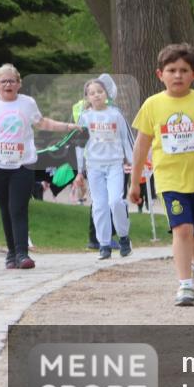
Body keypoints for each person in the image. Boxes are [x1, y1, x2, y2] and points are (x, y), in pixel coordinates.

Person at [128, 43, 194, 306]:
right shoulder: (152, 105)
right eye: (171, 70)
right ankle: (184, 285)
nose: (178, 75)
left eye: (184, 70)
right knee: (182, 229)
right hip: (170, 180)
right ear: (160, 74)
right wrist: (135, 181)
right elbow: (141, 145)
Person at [0, 64, 79, 269]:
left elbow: (43, 123)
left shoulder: (27, 103)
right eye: (3, 81)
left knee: (18, 208)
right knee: (5, 209)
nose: (8, 84)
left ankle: (22, 254)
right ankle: (11, 254)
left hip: (24, 164)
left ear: (19, 84)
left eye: (12, 80)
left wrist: (67, 126)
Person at [74, 77, 134, 260]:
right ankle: (104, 244)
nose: (96, 95)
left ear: (106, 94)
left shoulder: (116, 114)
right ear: (87, 97)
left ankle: (124, 237)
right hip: (94, 167)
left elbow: (126, 139)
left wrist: (132, 162)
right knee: (99, 206)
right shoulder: (84, 117)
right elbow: (80, 145)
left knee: (115, 201)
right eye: (92, 93)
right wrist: (79, 171)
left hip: (115, 164)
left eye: (99, 92)